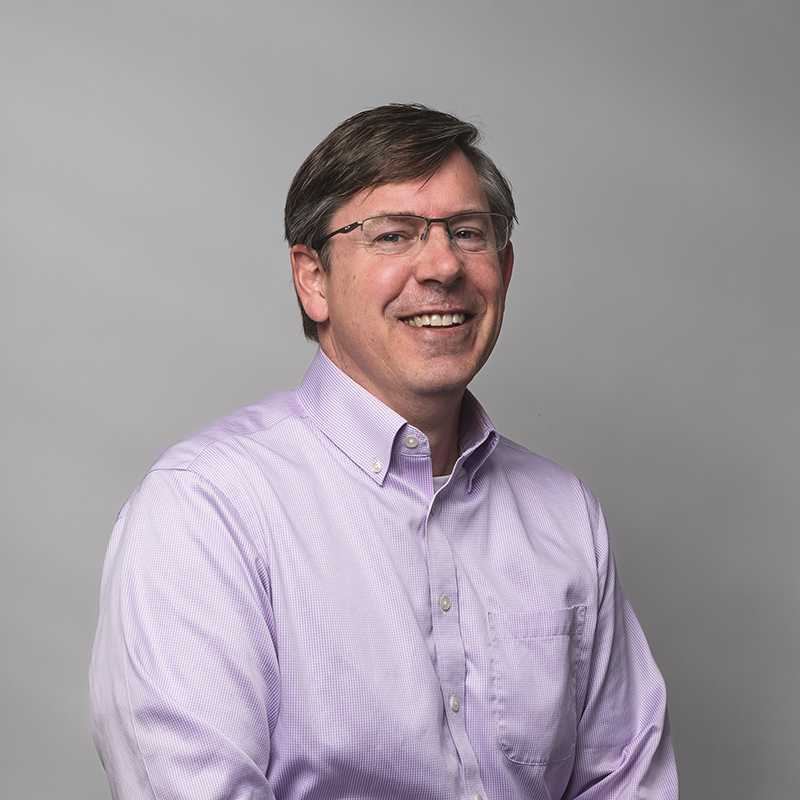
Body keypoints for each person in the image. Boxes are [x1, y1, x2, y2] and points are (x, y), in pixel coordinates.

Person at [89, 103, 678, 799]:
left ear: (505, 267)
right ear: (313, 280)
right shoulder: (207, 508)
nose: (443, 265)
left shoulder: (563, 515)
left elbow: (625, 784)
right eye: (393, 235)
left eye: (468, 232)